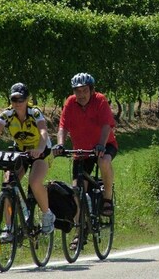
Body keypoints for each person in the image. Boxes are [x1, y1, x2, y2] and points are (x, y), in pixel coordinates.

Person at [0, 83, 55, 238]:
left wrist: (40, 149)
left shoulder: (34, 112)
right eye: (14, 99)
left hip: (41, 151)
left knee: (34, 182)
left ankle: (47, 214)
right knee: (8, 185)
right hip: (20, 151)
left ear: (27, 99)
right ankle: (9, 228)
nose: (17, 102)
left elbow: (43, 131)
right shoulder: (7, 114)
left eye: (21, 99)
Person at [54, 73, 117, 220]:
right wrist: (60, 144)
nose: (81, 94)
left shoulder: (100, 100)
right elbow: (63, 127)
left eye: (85, 90)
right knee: (77, 190)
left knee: (103, 161)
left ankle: (107, 199)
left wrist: (101, 145)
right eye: (77, 91)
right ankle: (80, 231)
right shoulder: (70, 103)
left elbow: (107, 125)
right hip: (82, 151)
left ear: (91, 90)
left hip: (105, 145)